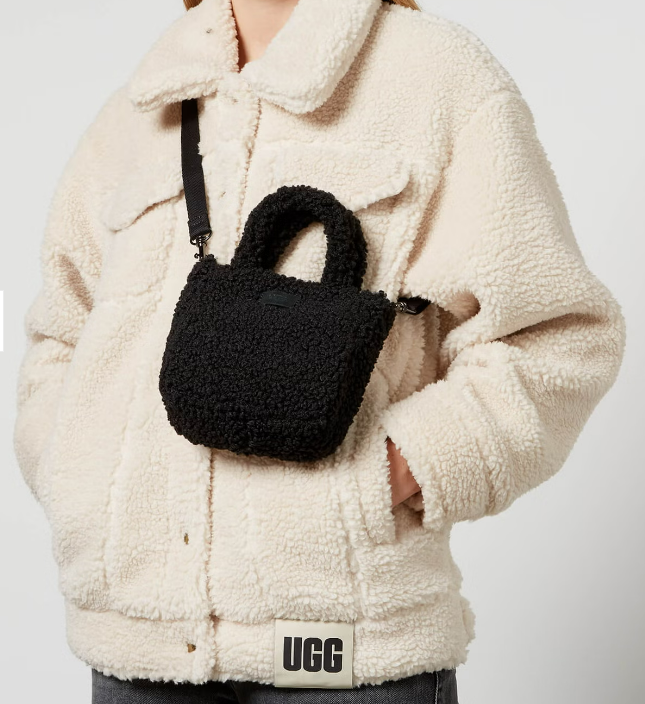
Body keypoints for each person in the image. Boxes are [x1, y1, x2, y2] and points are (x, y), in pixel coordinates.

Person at [13, 0, 626, 702]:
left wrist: (391, 474)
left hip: (346, 648)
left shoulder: (437, 78)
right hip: (136, 649)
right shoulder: (141, 107)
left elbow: (558, 336)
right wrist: (78, 477)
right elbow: (61, 334)